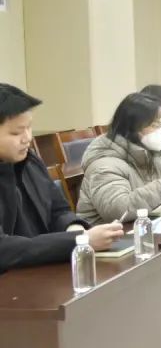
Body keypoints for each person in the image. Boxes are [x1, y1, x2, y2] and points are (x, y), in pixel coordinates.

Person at [0, 84, 123, 274]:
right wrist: (78, 240)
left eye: (29, 128)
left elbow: (58, 210)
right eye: (16, 132)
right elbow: (4, 249)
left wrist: (75, 229)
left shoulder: (30, 161)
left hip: (43, 269)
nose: (27, 138)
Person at [77, 92, 161, 226]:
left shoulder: (147, 154)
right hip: (111, 236)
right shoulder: (104, 163)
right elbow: (119, 210)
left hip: (145, 228)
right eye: (154, 125)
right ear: (132, 127)